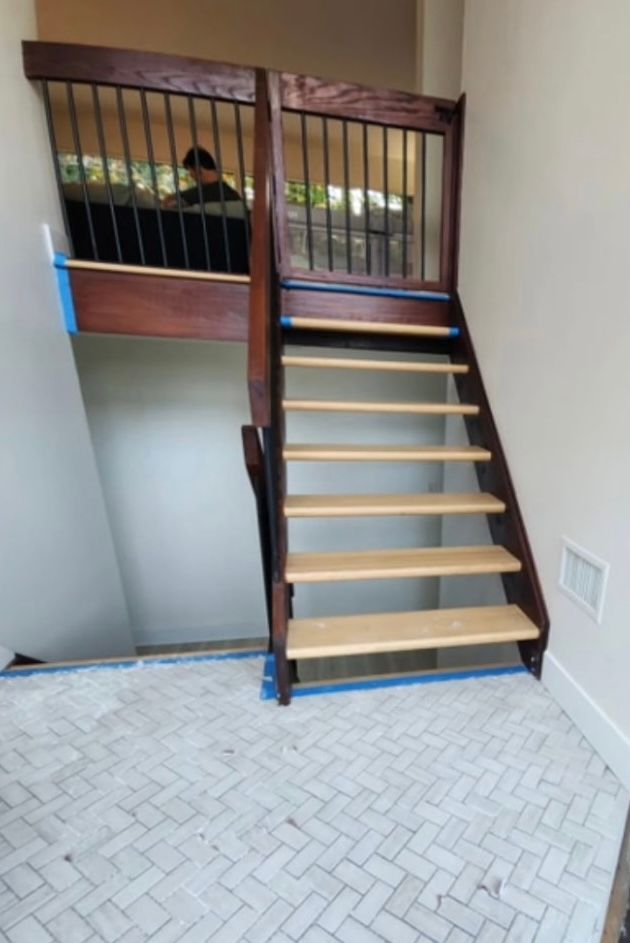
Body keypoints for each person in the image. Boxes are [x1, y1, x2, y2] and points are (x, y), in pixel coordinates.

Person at [162, 147, 246, 217]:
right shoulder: (234, 195)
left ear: (198, 169)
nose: (191, 176)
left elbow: (167, 203)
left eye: (190, 172)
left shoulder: (200, 192)